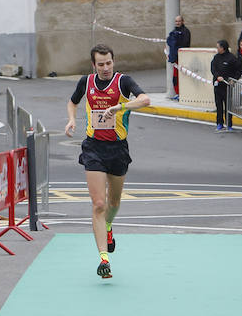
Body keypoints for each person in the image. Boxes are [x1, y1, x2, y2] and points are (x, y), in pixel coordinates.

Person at [65, 44, 151, 279]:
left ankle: (109, 227)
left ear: (114, 61)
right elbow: (72, 102)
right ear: (93, 65)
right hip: (93, 148)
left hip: (118, 149)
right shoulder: (87, 82)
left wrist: (119, 107)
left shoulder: (124, 82)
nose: (105, 68)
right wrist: (71, 120)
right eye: (101, 64)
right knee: (99, 204)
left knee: (113, 203)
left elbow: (145, 100)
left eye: (109, 63)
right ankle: (104, 259)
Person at [211, 40, 239, 132]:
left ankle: (229, 124)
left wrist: (233, 80)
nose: (217, 49)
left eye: (218, 47)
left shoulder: (232, 58)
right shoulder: (216, 57)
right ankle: (219, 123)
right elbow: (213, 68)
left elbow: (238, 70)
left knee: (228, 106)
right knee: (219, 105)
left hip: (227, 86)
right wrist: (217, 76)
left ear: (223, 48)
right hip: (218, 85)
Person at [166, 15, 191, 100]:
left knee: (183, 76)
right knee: (175, 77)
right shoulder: (173, 32)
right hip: (175, 59)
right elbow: (169, 41)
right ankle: (177, 93)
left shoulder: (186, 31)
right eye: (176, 21)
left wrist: (175, 43)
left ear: (182, 22)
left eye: (179, 21)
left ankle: (183, 93)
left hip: (183, 58)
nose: (177, 23)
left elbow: (184, 44)